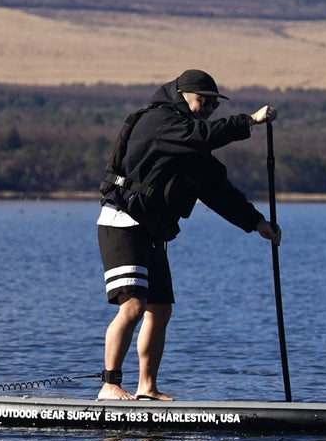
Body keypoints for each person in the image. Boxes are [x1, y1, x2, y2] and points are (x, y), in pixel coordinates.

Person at [96, 68, 280, 400]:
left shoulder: (191, 146)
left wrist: (258, 224)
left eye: (214, 105)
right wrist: (249, 121)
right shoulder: (161, 123)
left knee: (160, 307)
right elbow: (203, 135)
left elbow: (218, 191)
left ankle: (146, 388)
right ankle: (110, 385)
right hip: (122, 222)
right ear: (182, 95)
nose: (209, 109)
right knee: (134, 305)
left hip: (153, 231)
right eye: (203, 102)